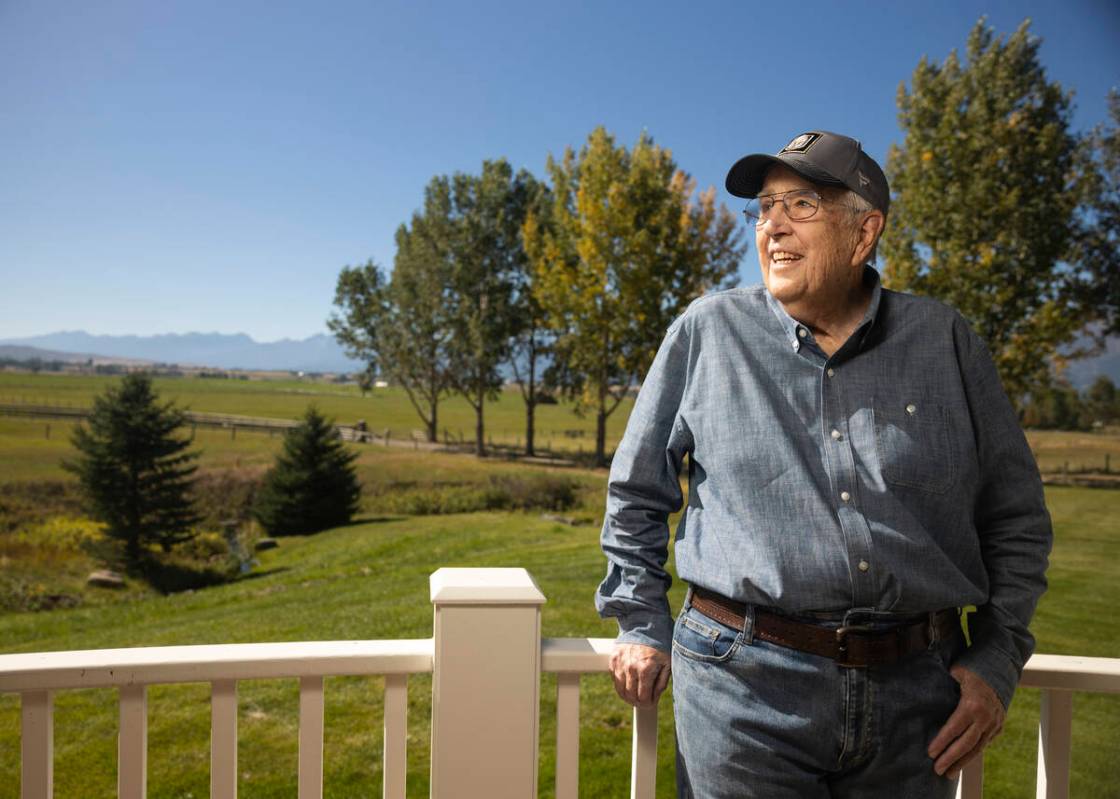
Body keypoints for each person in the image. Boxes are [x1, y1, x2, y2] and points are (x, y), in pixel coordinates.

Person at [595, 130, 1052, 798]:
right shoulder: (708, 331)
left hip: (917, 704)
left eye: (800, 204)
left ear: (864, 232)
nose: (771, 226)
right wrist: (640, 621)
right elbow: (638, 491)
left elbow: (1015, 520)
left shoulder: (946, 340)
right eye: (764, 208)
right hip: (741, 691)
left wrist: (997, 656)